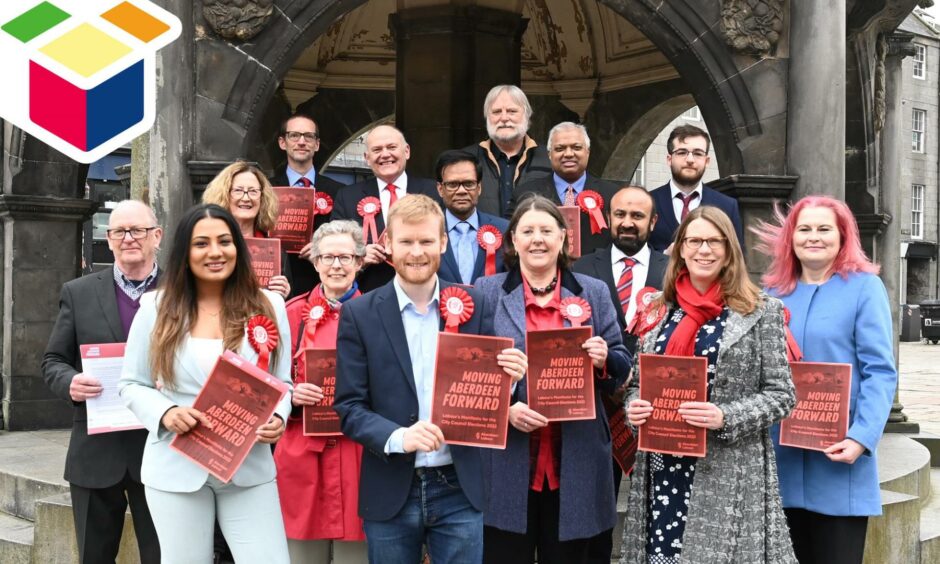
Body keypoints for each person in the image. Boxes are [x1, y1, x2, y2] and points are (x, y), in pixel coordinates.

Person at [333, 194, 527, 564]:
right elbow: (349, 407)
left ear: (443, 242)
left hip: (459, 484)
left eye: (426, 241)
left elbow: (488, 398)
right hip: (391, 487)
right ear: (388, 243)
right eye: (406, 241)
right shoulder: (359, 314)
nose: (416, 252)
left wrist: (511, 382)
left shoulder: (475, 306)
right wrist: (399, 437)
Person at [621, 205, 796, 564]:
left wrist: (725, 416)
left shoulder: (762, 310)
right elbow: (638, 384)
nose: (704, 250)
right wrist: (633, 407)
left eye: (714, 241)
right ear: (680, 248)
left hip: (729, 469)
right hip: (663, 466)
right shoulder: (656, 309)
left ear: (729, 249)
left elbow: (782, 395)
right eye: (695, 240)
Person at [119, 204, 293, 563]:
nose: (215, 252)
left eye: (225, 241)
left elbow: (282, 383)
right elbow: (132, 384)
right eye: (202, 244)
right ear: (185, 251)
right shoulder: (155, 307)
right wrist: (166, 412)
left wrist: (278, 417)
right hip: (175, 467)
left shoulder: (270, 305)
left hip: (248, 469)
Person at [475, 194, 631, 564]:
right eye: (527, 230)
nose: (537, 239)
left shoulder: (593, 291)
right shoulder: (486, 292)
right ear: (513, 240)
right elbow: (470, 374)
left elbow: (623, 363)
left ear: (563, 238)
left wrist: (604, 358)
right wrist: (506, 408)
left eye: (546, 230)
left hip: (576, 456)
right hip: (510, 458)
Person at [754, 195, 896, 564]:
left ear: (842, 236)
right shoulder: (770, 294)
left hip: (839, 458)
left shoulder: (865, 288)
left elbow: (879, 371)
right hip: (780, 459)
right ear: (790, 237)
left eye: (823, 229)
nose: (813, 237)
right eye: (804, 229)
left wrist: (861, 437)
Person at [42, 200, 161, 564]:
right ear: (108, 240)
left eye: (137, 230)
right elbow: (52, 362)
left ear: (156, 236)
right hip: (95, 453)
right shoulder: (78, 292)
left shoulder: (184, 289)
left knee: (166, 556)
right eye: (118, 231)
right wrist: (70, 382)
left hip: (161, 449)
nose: (128, 238)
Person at [572, 185, 668, 564]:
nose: (628, 223)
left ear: (653, 221)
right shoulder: (581, 269)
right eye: (620, 215)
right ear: (608, 218)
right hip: (598, 409)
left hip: (655, 408)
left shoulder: (672, 269)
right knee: (594, 513)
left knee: (659, 511)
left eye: (638, 216)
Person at [275, 219, 367, 563]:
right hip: (302, 455)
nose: (336, 266)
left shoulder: (379, 312)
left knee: (356, 557)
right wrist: (291, 395)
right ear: (314, 262)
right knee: (300, 556)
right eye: (328, 258)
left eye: (345, 257)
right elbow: (265, 382)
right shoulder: (290, 314)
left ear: (360, 262)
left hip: (358, 456)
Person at [332, 124, 442, 292]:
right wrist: (358, 256)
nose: (385, 154)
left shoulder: (434, 191)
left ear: (407, 151)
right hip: (369, 292)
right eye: (377, 150)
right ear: (367, 158)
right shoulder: (347, 197)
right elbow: (334, 247)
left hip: (424, 290)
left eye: (391, 147)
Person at [510, 122, 618, 257]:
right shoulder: (524, 194)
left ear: (587, 152)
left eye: (576, 147)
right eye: (560, 149)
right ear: (549, 154)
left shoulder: (613, 195)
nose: (568, 154)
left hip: (594, 274)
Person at [269, 113, 346, 295]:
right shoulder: (266, 188)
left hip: (324, 285)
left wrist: (324, 247)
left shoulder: (340, 192)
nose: (301, 142)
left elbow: (347, 239)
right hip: (277, 284)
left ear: (317, 144)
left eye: (308, 136)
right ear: (282, 142)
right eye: (294, 135)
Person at [647, 125, 744, 252]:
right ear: (669, 159)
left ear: (707, 161)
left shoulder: (727, 205)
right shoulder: (648, 202)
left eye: (698, 153)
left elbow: (736, 257)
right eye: (682, 152)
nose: (690, 160)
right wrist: (664, 256)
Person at [203, 161, 292, 299]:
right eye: (238, 190)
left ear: (263, 199)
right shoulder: (205, 245)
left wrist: (285, 295)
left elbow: (285, 311)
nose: (246, 198)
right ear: (224, 195)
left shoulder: (278, 253)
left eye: (253, 191)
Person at [463, 84, 552, 217]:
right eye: (497, 112)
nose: (504, 118)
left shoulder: (549, 158)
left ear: (527, 116)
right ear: (487, 117)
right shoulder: (466, 159)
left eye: (512, 111)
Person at [434, 149, 510, 285]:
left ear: (479, 188)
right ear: (440, 189)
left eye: (469, 184)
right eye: (452, 184)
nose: (462, 191)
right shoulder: (427, 231)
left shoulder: (504, 230)